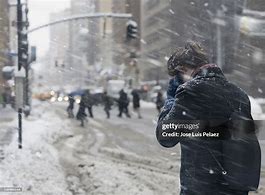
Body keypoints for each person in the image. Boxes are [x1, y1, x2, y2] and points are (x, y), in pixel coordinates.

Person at [156, 40, 260, 195]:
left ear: (183, 69)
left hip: (200, 187)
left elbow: (165, 137)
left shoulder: (189, 92)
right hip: (234, 185)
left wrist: (171, 99)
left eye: (177, 76)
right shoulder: (239, 94)